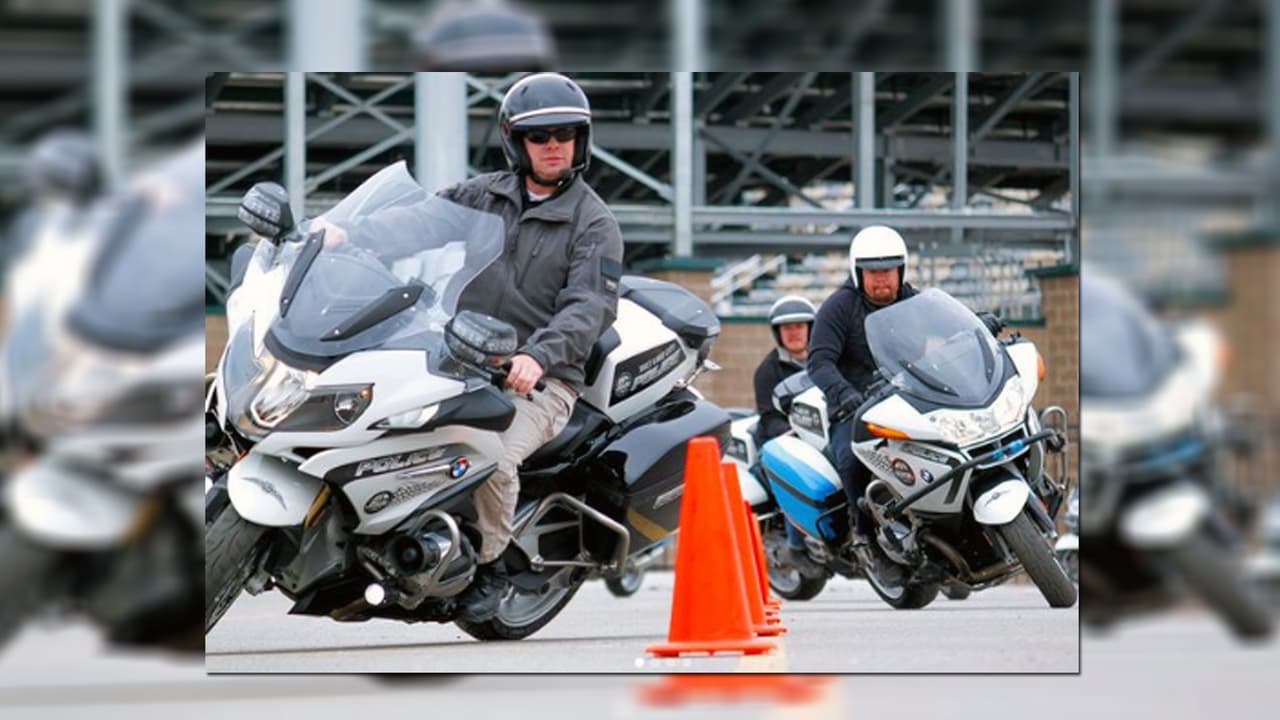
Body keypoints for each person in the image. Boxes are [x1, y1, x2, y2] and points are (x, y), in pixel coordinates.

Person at [312, 73, 623, 623]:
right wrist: (349, 233)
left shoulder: (593, 222)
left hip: (539, 378)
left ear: (581, 140)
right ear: (515, 142)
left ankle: (492, 564)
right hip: (457, 355)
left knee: (491, 457)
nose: (553, 145)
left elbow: (590, 305)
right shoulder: (485, 195)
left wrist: (538, 356)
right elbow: (420, 222)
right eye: (539, 136)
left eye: (565, 134)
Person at [806, 225, 918, 581]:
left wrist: (975, 329)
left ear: (901, 270)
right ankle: (865, 535)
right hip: (856, 408)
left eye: (888, 270)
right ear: (858, 273)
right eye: (873, 271)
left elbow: (945, 333)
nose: (881, 278)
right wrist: (844, 394)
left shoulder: (915, 302)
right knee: (853, 458)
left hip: (909, 401)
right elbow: (818, 362)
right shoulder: (839, 308)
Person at [751, 294, 823, 576]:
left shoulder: (823, 361)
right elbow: (769, 417)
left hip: (820, 436)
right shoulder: (767, 371)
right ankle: (796, 545)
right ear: (777, 333)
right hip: (782, 441)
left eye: (799, 326)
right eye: (786, 328)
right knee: (793, 473)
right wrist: (791, 432)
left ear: (810, 328)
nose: (794, 333)